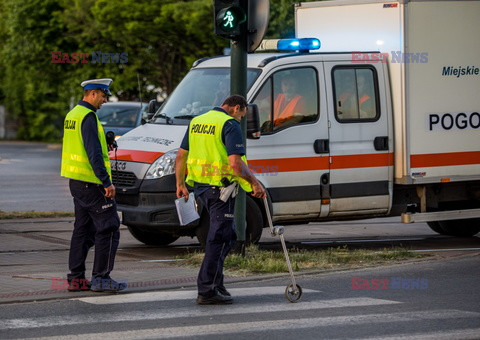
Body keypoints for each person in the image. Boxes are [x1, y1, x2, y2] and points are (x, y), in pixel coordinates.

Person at [175, 95, 266, 305]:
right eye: (242, 115)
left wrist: (179, 184)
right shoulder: (229, 124)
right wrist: (254, 182)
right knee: (219, 238)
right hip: (220, 190)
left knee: (229, 234)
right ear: (236, 108)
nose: (241, 119)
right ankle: (206, 289)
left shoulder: (197, 121)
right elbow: (235, 164)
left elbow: (181, 155)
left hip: (201, 188)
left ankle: (216, 282)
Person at [61, 78, 127, 293]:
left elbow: (83, 145)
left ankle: (76, 279)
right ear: (92, 94)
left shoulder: (73, 115)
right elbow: (93, 154)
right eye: (103, 95)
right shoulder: (88, 116)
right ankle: (101, 278)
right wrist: (107, 182)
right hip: (93, 183)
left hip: (77, 183)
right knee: (109, 228)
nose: (105, 100)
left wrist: (104, 142)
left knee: (82, 230)